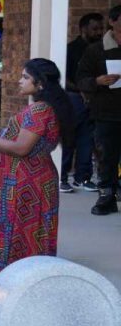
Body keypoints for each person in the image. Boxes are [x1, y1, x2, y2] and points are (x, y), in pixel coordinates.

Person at [0, 58, 71, 299]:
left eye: (25, 77)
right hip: (34, 179)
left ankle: (10, 295)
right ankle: (30, 294)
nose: (20, 81)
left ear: (40, 83)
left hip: (23, 183)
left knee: (15, 236)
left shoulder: (39, 110)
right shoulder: (50, 107)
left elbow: (21, 148)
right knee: (32, 237)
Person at [77, 3, 121, 215]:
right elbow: (81, 79)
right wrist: (97, 81)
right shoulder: (96, 50)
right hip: (106, 112)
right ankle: (106, 196)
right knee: (107, 157)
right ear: (112, 21)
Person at [62, 12, 104, 193]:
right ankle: (63, 177)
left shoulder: (101, 50)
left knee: (87, 139)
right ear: (83, 29)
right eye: (95, 29)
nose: (99, 32)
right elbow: (64, 75)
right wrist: (81, 89)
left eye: (101, 28)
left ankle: (83, 178)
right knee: (69, 138)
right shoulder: (72, 49)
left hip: (95, 98)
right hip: (73, 97)